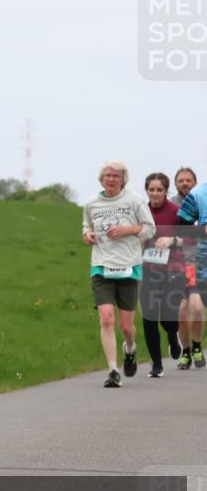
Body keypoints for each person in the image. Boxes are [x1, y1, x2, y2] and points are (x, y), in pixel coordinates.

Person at [82, 160, 156, 387]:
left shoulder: (134, 201)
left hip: (129, 267)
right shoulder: (91, 203)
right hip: (102, 266)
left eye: (116, 176)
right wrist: (87, 235)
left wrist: (128, 229)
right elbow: (86, 227)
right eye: (108, 175)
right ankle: (113, 370)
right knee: (106, 318)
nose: (111, 179)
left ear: (123, 179)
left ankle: (130, 348)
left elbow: (149, 228)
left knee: (126, 326)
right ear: (101, 178)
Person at [141, 173, 186, 377]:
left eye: (160, 190)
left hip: (173, 269)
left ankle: (172, 335)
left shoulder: (177, 211)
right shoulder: (142, 211)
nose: (155, 193)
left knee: (167, 318)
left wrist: (171, 240)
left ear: (166, 191)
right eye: (152, 189)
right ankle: (156, 365)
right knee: (149, 317)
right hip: (149, 268)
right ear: (147, 190)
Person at [172, 167, 205, 369]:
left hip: (197, 263)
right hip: (176, 264)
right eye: (181, 180)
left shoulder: (200, 199)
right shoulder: (171, 205)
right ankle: (186, 351)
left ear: (195, 182)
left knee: (197, 308)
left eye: (189, 180)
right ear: (176, 184)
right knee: (182, 313)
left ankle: (198, 346)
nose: (185, 183)